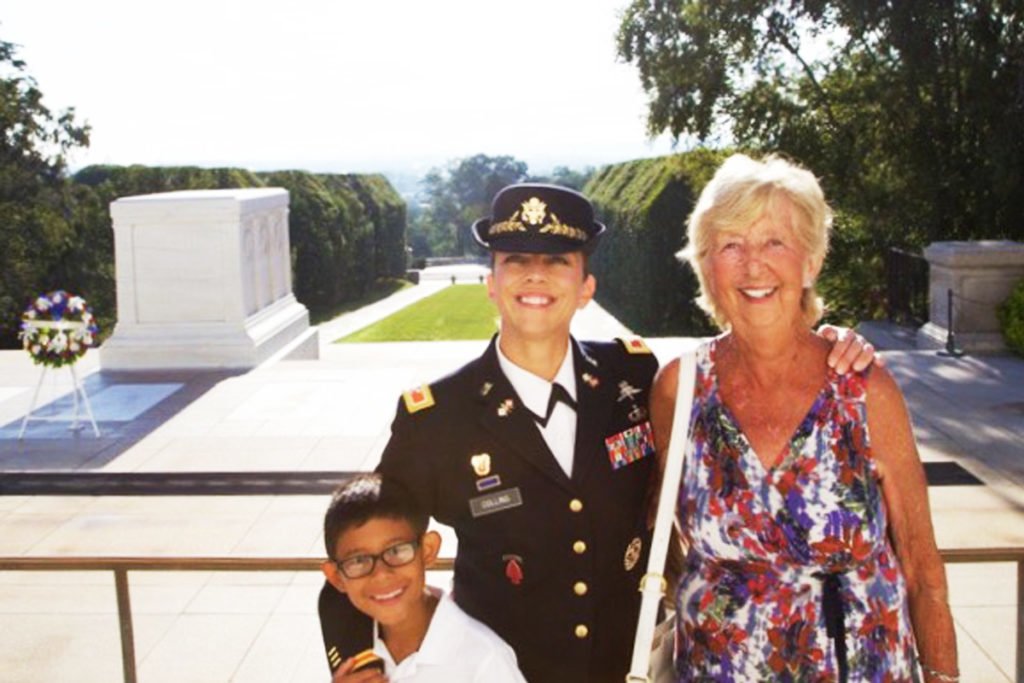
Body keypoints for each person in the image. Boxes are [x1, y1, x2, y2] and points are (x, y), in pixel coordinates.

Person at [320, 183, 878, 683]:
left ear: (586, 286)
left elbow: (751, 370)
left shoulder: (632, 377)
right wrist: (354, 659)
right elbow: (356, 551)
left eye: (557, 260)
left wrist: (826, 343)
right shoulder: (437, 418)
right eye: (516, 260)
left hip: (627, 666)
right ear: (492, 284)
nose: (535, 275)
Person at [649, 154, 958, 681]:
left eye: (775, 242)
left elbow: (923, 568)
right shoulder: (680, 389)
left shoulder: (863, 389)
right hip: (716, 669)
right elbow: (666, 544)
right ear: (705, 265)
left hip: (858, 667)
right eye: (730, 245)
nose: (753, 265)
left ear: (810, 262)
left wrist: (944, 676)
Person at [320, 473, 526, 682]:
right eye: (358, 561)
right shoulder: (351, 643)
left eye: (397, 551)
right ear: (336, 577)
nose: (381, 574)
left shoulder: (484, 661)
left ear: (428, 550)